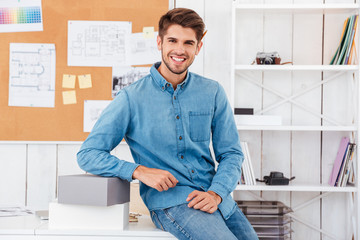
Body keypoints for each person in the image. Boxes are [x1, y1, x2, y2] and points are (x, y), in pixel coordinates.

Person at [77, 8, 258, 240]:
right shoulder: (131, 99)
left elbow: (232, 154)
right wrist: (138, 171)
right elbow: (88, 154)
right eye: (172, 40)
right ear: (159, 42)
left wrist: (216, 193)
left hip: (217, 200)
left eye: (188, 43)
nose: (180, 50)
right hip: (171, 203)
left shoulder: (212, 92)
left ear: (198, 48)